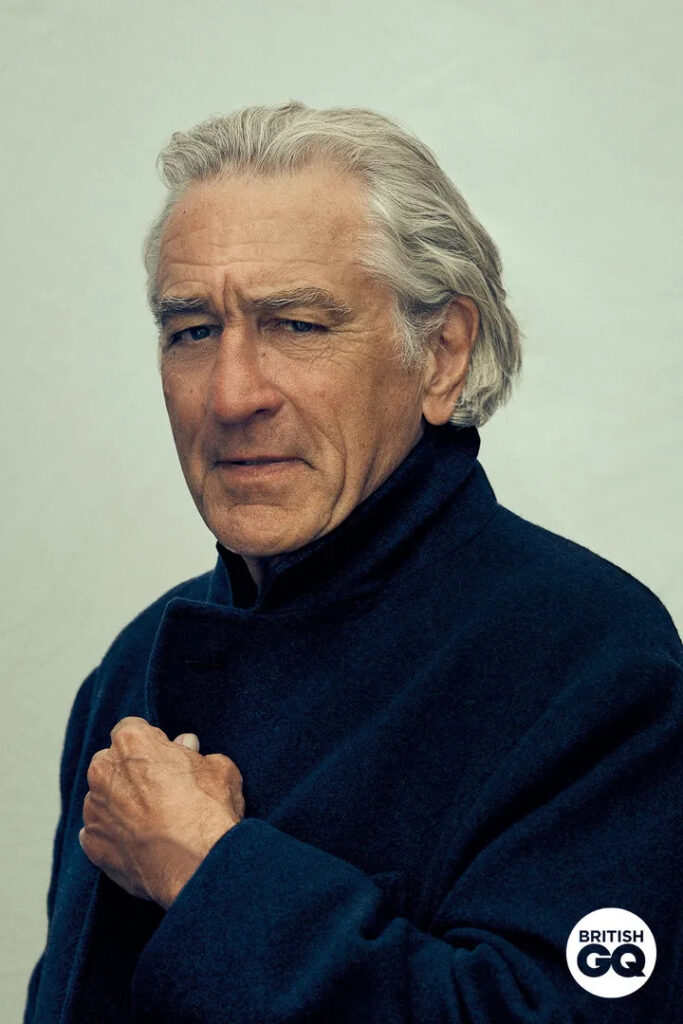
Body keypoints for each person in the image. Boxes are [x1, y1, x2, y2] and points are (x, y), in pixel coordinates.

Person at [24, 101, 682, 1024]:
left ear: (441, 355)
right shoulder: (130, 670)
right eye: (193, 331)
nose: (232, 395)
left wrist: (212, 874)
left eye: (296, 324)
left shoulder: (594, 660)